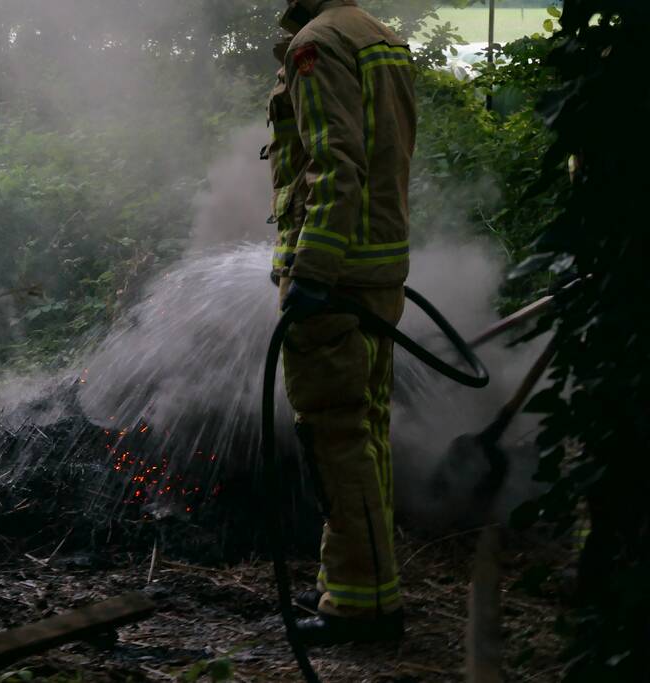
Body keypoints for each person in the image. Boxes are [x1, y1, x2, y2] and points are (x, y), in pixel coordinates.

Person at [265, 0, 416, 645]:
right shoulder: (379, 37)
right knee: (367, 431)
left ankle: (358, 612)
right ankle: (369, 589)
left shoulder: (317, 43)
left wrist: (312, 271)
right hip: (378, 271)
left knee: (335, 439)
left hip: (338, 279)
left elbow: (335, 162)